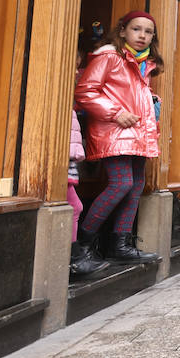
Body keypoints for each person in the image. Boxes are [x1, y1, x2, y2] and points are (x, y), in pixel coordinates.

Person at [74, 10, 165, 265]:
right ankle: (82, 244)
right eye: (136, 29)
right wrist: (116, 113)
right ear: (122, 31)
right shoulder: (110, 57)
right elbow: (85, 91)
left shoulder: (145, 64)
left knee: (136, 185)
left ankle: (120, 245)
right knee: (121, 183)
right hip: (114, 131)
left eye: (148, 32)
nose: (142, 35)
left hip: (137, 133)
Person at [68, 106, 108, 279]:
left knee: (75, 206)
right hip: (64, 152)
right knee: (74, 206)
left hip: (69, 152)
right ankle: (74, 259)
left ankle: (76, 256)